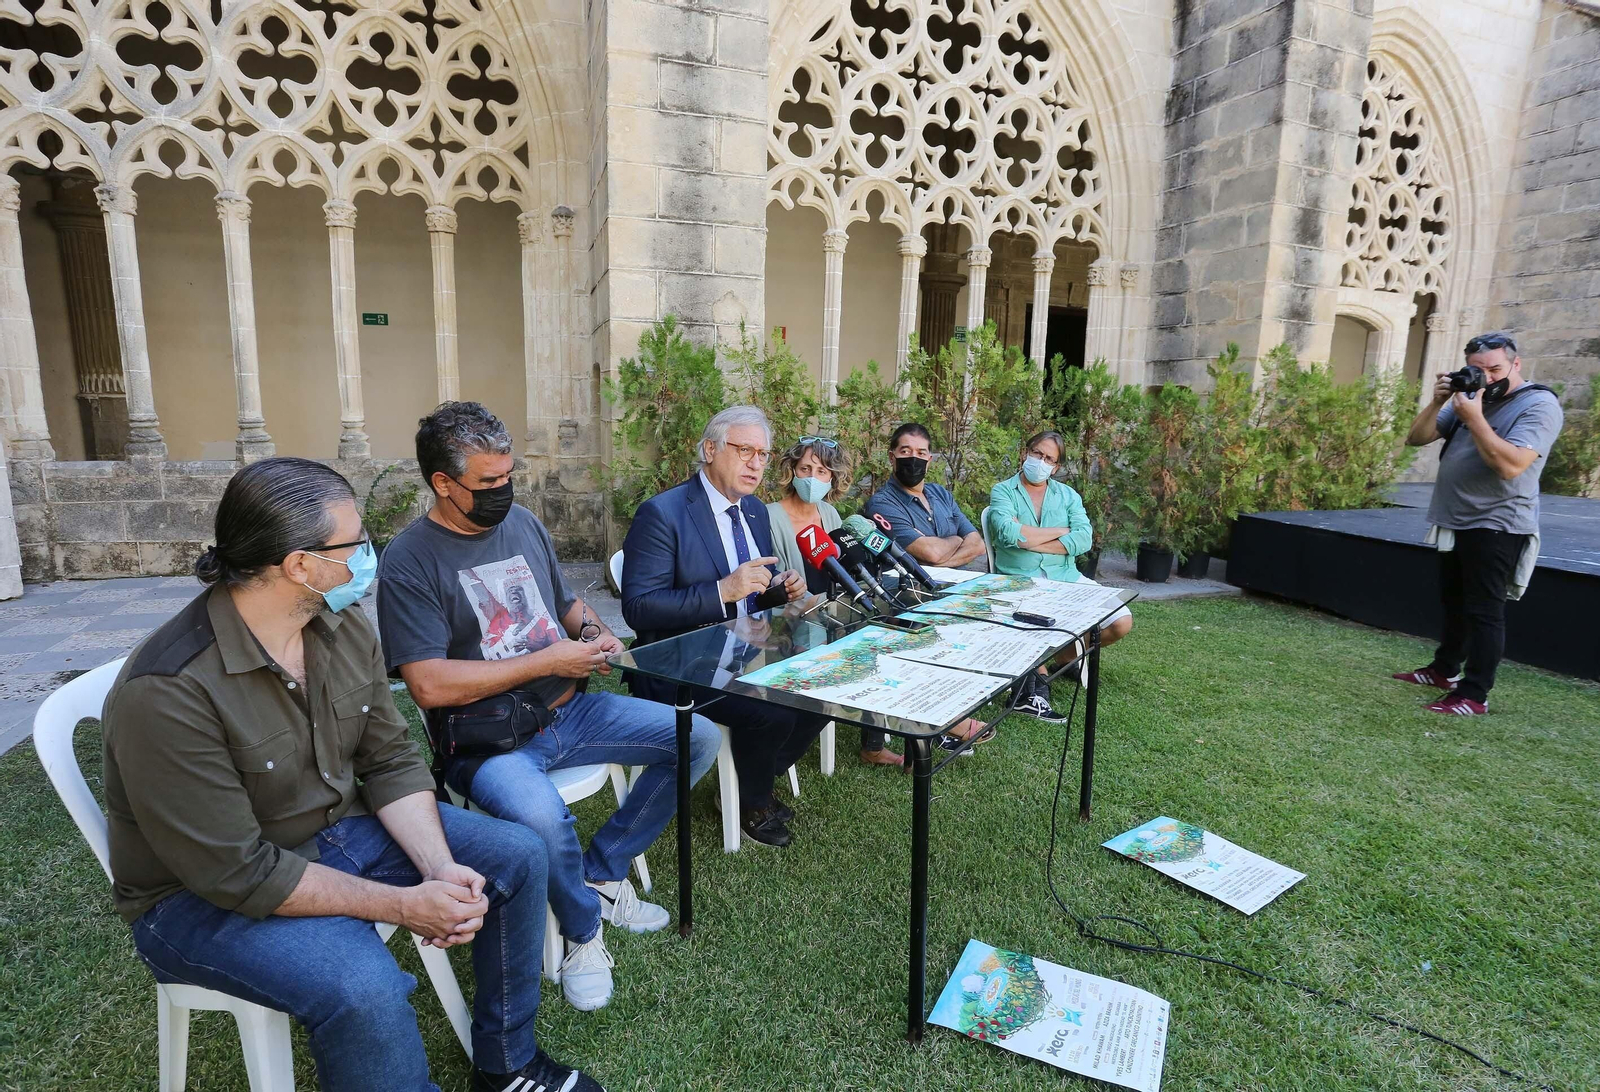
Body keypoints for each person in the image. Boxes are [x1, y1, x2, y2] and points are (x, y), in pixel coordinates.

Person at [102, 457, 602, 1092]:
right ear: (300, 565)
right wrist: (401, 904)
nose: (370, 553)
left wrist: (438, 865)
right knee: (360, 984)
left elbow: (388, 758)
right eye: (356, 541)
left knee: (518, 855)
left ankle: (508, 1065)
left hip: (336, 828)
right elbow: (239, 872)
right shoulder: (168, 691)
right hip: (198, 900)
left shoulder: (336, 625)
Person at [377, 402, 718, 1013]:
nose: (503, 491)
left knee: (699, 737)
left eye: (509, 477)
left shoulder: (525, 525)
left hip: (569, 710)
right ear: (443, 484)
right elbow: (426, 685)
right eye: (488, 483)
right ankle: (582, 933)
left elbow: (563, 607)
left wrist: (593, 634)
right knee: (539, 819)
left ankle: (605, 869)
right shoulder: (410, 561)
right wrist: (546, 662)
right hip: (488, 740)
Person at [620, 405, 822, 847]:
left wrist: (777, 591)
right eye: (745, 449)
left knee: (820, 684)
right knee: (773, 708)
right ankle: (753, 801)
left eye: (764, 454)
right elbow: (640, 609)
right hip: (676, 662)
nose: (756, 463)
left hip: (743, 649)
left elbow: (751, 594)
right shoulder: (663, 513)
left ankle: (752, 773)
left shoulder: (753, 512)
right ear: (710, 449)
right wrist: (721, 592)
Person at [1393, 331, 1563, 716]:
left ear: (1515, 365)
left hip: (1498, 522)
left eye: (1495, 369)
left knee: (1484, 611)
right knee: (1453, 601)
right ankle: (1444, 671)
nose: (1486, 377)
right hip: (1456, 517)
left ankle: (1474, 694)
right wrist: (1438, 401)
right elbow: (1416, 438)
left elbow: (1511, 466)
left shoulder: (1538, 405)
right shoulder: (1468, 396)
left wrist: (1474, 417)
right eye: (1476, 369)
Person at [766, 436, 901, 768]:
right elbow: (770, 586)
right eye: (805, 468)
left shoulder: (829, 513)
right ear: (791, 471)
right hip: (788, 620)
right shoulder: (768, 516)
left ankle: (874, 742)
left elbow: (842, 569)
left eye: (823, 471)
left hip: (833, 611)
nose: (813, 478)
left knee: (880, 634)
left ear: (834, 478)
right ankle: (781, 750)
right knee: (853, 639)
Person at [862, 421, 996, 752]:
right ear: (891, 457)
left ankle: (949, 711)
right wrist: (951, 545)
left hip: (947, 586)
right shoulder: (883, 503)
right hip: (902, 594)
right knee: (937, 635)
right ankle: (943, 721)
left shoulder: (940, 494)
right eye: (905, 451)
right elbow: (930, 551)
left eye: (921, 453)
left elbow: (977, 544)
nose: (913, 459)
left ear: (930, 459)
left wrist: (941, 561)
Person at [987, 429, 1135, 720]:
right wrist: (1060, 532)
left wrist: (1031, 538)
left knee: (1121, 622)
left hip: (1065, 576)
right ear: (1025, 453)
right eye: (1037, 454)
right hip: (1019, 579)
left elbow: (1083, 540)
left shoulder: (1068, 496)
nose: (1041, 462)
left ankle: (1065, 658)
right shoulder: (1003, 491)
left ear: (1056, 467)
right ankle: (1036, 688)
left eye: (1049, 459)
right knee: (1034, 625)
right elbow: (1009, 535)